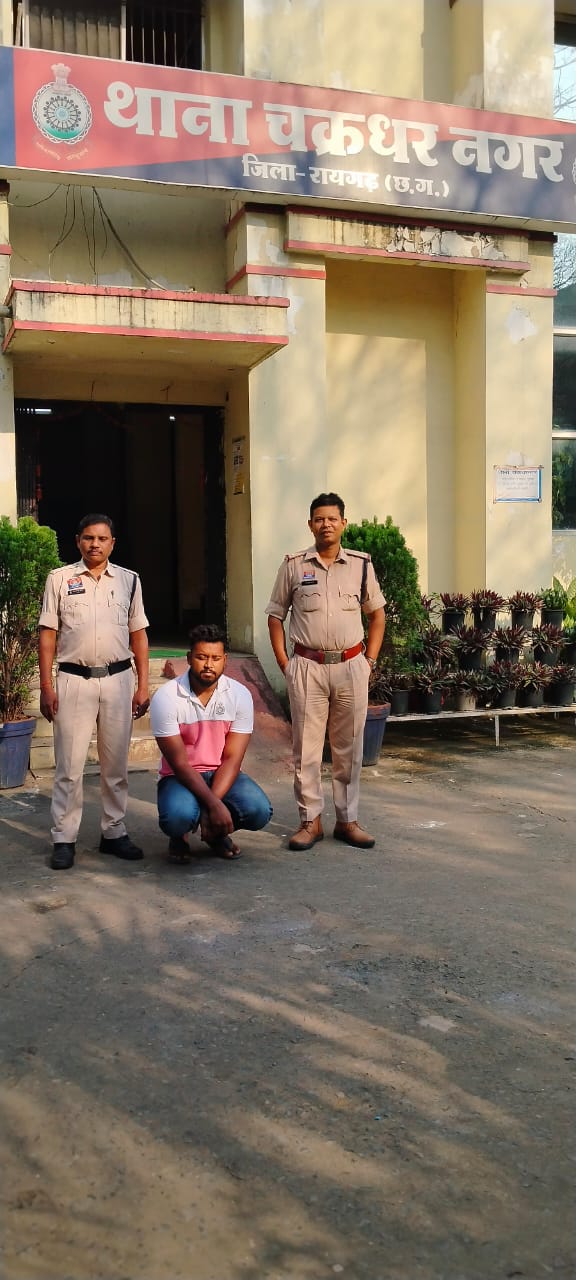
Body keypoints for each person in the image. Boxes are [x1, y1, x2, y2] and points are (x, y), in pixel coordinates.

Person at [266, 492, 385, 851]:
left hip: (351, 666)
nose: (326, 525)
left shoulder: (361, 565)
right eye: (319, 519)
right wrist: (285, 663)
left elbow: (377, 615)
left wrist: (369, 661)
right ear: (310, 525)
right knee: (307, 749)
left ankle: (348, 820)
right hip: (307, 668)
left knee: (350, 747)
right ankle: (310, 821)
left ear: (343, 524)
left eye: (332, 519)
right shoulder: (293, 566)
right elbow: (275, 615)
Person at [39, 514, 150, 871]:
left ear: (112, 543)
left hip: (118, 680)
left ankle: (113, 831)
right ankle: (64, 838)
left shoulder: (130, 580)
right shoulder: (59, 579)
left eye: (102, 539)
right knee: (69, 766)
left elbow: (138, 634)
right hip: (74, 680)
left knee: (115, 764)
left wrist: (143, 684)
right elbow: (47, 634)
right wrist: (46, 686)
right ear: (78, 541)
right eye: (88, 538)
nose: (95, 544)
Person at [149, 624, 272, 861]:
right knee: (177, 818)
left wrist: (210, 808)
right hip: (179, 776)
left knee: (259, 810)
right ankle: (180, 835)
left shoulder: (239, 695)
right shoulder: (167, 697)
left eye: (215, 658)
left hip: (220, 773)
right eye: (201, 657)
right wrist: (213, 806)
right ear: (189, 658)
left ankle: (215, 832)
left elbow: (232, 759)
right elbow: (180, 764)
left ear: (225, 660)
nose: (208, 664)